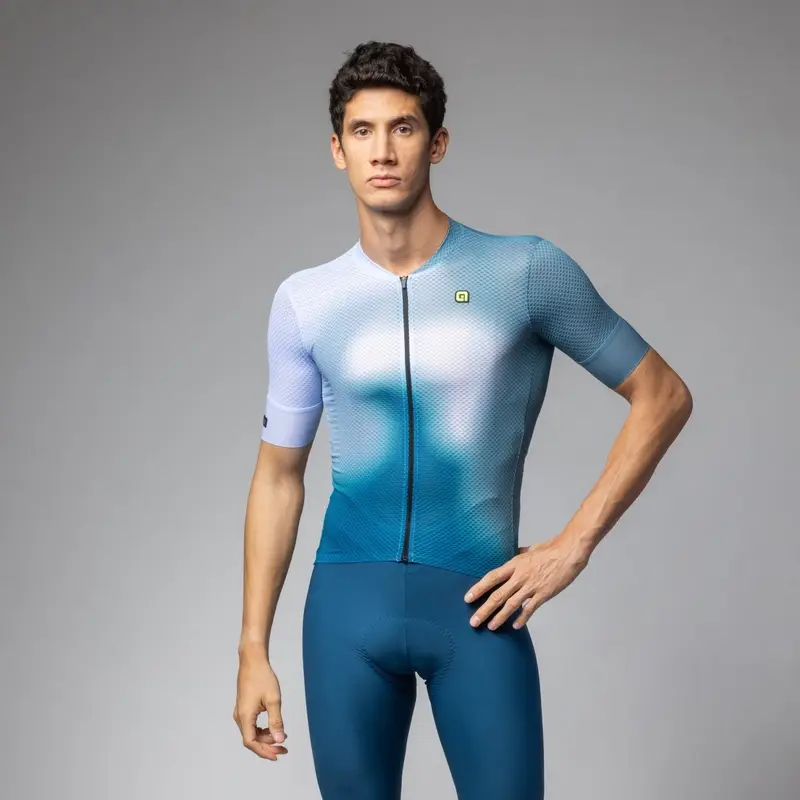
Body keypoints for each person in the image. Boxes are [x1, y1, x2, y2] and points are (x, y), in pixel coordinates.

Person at [233, 40, 693, 799]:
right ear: (338, 150)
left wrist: (573, 545)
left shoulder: (525, 271)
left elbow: (664, 396)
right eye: (362, 131)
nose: (383, 151)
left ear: (437, 142)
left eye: (404, 128)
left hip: (477, 609)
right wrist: (252, 647)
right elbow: (278, 478)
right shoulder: (306, 302)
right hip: (345, 611)